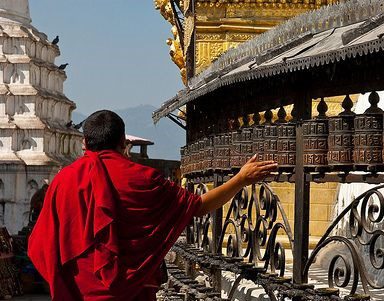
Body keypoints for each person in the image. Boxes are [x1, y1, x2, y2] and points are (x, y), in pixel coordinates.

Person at [28, 110, 277, 301]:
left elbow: (41, 245)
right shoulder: (144, 178)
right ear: (123, 142)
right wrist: (241, 179)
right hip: (133, 292)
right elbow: (197, 206)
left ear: (84, 143)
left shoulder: (64, 180)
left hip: (78, 291)